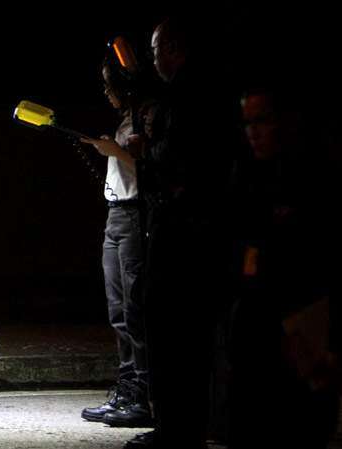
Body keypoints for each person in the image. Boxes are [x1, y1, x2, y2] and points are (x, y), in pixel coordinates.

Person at [120, 17, 239, 449]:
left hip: (181, 231)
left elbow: (181, 158)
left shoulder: (186, 96)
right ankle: (187, 425)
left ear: (171, 47)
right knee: (188, 336)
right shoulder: (209, 90)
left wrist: (144, 150)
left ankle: (176, 429)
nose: (152, 62)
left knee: (171, 330)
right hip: (198, 229)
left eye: (155, 52)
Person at [226, 89, 340, 448]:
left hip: (301, 340)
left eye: (261, 121)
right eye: (247, 123)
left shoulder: (314, 182)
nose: (253, 132)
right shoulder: (248, 179)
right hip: (256, 335)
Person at [79, 55, 154, 428]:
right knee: (116, 308)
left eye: (109, 86)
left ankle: (142, 393)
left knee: (133, 307)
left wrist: (116, 150)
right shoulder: (127, 120)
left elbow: (154, 163)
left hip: (133, 213)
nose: (106, 93)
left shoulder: (148, 115)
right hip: (115, 213)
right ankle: (127, 387)